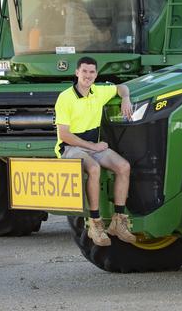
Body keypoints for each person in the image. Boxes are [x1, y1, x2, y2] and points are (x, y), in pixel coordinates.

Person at [54, 56, 136, 246]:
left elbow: (121, 87)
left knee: (123, 166)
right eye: (84, 71)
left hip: (92, 146)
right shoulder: (65, 98)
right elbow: (64, 134)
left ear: (96, 74)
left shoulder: (98, 91)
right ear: (77, 73)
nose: (88, 75)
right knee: (93, 168)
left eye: (92, 72)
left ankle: (118, 221)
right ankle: (95, 223)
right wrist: (93, 146)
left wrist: (126, 98)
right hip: (70, 148)